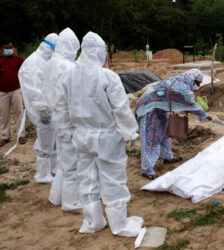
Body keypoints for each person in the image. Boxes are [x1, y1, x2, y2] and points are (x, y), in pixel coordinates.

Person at [58, 31, 143, 235]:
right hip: (106, 137)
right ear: (99, 52)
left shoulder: (68, 76)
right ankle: (119, 224)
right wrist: (131, 133)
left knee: (86, 179)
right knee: (113, 180)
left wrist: (68, 131)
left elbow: (63, 108)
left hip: (81, 136)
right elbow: (120, 108)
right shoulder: (107, 76)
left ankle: (93, 222)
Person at [134, 69, 211, 180]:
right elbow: (191, 105)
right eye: (197, 83)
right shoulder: (182, 89)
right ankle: (147, 170)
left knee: (165, 133)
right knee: (150, 138)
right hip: (148, 108)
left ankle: (167, 157)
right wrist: (205, 116)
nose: (198, 86)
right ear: (192, 80)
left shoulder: (179, 81)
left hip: (159, 108)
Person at [42, 27, 82, 212]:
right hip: (67, 118)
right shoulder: (68, 66)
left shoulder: (51, 62)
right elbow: (74, 97)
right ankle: (71, 202)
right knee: (72, 162)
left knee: (63, 160)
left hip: (56, 115)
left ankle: (56, 196)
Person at [18, 33, 58, 183]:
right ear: (49, 48)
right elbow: (32, 88)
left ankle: (53, 169)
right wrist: (41, 107)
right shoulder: (33, 62)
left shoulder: (43, 60)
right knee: (45, 140)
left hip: (48, 107)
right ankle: (42, 174)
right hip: (40, 110)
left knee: (52, 139)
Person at [0, 40, 26, 146]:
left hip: (16, 89)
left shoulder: (18, 59)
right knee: (4, 114)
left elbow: (27, 66)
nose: (9, 50)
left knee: (19, 112)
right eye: (7, 48)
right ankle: (5, 136)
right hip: (2, 91)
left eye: (11, 48)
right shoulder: (0, 60)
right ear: (2, 49)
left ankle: (21, 135)